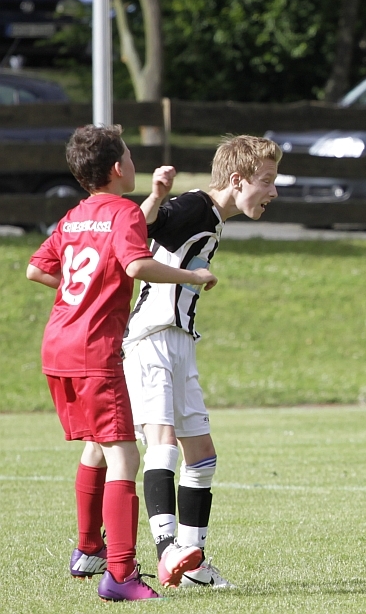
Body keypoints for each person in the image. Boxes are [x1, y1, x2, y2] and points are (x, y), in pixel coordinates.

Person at [26, 125, 218, 602]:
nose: (134, 162)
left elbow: (36, 269)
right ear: (118, 168)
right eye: (131, 156)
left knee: (97, 444)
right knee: (125, 457)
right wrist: (190, 275)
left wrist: (82, 292)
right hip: (95, 348)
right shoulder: (124, 212)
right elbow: (136, 264)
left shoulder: (75, 216)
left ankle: (89, 550)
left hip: (58, 345)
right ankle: (120, 574)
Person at [122, 135, 280, 589]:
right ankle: (166, 549)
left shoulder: (214, 218)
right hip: (151, 338)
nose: (273, 192)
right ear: (238, 180)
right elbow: (138, 228)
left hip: (181, 342)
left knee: (203, 455)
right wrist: (156, 196)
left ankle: (193, 567)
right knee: (163, 443)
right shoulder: (195, 205)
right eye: (266, 181)